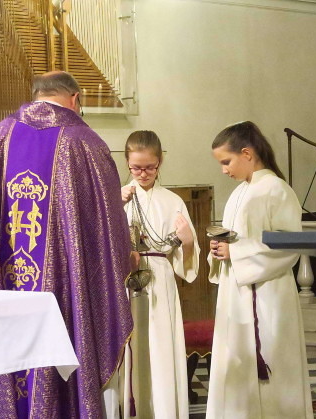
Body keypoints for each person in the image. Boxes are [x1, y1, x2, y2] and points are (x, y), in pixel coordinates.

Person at [0, 71, 133, 419]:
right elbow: (109, 233)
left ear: (36, 95)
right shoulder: (85, 144)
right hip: (64, 295)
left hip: (5, 295)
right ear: (76, 98)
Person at [206, 121, 313, 419]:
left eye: (226, 161)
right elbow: (234, 238)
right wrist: (219, 249)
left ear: (247, 153)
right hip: (236, 293)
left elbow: (287, 246)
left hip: (267, 296)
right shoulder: (240, 192)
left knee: (272, 371)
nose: (223, 170)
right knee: (236, 373)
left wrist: (236, 252)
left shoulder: (276, 190)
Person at [119, 130, 200, 418]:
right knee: (133, 348)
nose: (143, 174)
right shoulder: (118, 198)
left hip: (161, 279)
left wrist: (187, 242)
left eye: (149, 167)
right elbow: (98, 243)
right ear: (127, 163)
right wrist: (116, 206)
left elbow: (186, 258)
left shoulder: (172, 201)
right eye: (136, 168)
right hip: (127, 281)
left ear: (160, 162)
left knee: (161, 347)